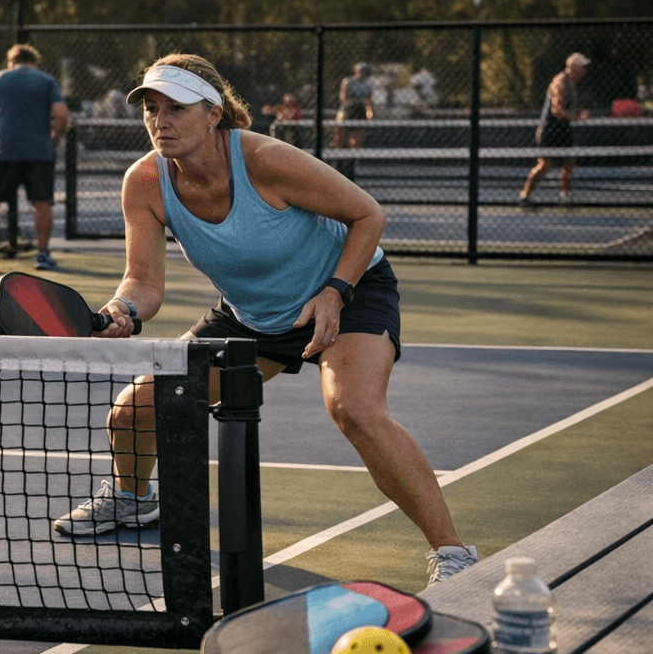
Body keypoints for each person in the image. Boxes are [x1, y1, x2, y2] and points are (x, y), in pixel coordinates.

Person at [49, 54, 478, 589]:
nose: (160, 120)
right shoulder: (146, 182)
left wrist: (334, 292)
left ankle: (454, 553)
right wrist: (123, 311)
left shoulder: (266, 161)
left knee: (354, 408)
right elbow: (144, 283)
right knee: (132, 414)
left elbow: (368, 213)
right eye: (151, 109)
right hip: (251, 314)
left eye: (176, 108)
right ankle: (134, 500)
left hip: (349, 290)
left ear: (214, 114)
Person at [0, 43, 68, 272]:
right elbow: (61, 114)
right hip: (40, 153)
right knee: (42, 203)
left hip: (5, 152)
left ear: (11, 61)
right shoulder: (46, 80)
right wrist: (54, 138)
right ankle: (42, 255)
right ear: (35, 61)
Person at [519, 52, 591, 208]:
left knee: (568, 163)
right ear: (574, 67)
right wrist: (577, 118)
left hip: (564, 128)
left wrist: (579, 111)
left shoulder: (572, 84)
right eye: (582, 67)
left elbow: (569, 106)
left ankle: (565, 198)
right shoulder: (560, 81)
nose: (584, 71)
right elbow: (557, 110)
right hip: (551, 129)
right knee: (544, 165)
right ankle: (525, 196)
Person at [333, 62, 374, 149]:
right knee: (338, 128)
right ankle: (338, 149)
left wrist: (369, 112)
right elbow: (343, 97)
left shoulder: (368, 84)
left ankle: (354, 156)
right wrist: (349, 106)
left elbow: (368, 100)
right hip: (348, 108)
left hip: (360, 110)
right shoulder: (348, 81)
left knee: (357, 135)